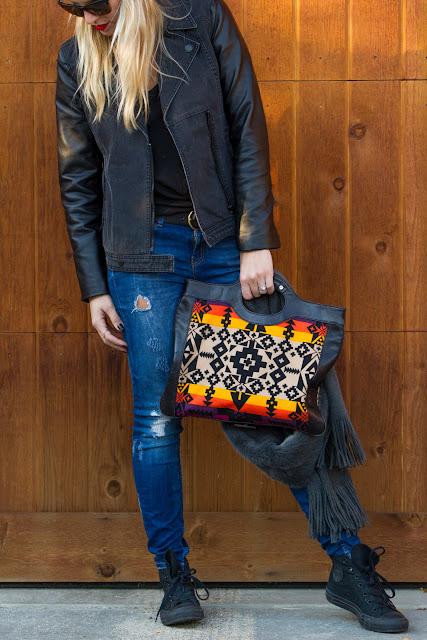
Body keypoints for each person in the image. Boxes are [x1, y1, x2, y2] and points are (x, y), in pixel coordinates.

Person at [55, 0, 409, 633]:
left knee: (281, 405)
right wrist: (94, 288)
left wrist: (255, 240)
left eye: (95, 2)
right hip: (141, 257)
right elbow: (78, 177)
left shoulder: (200, 19)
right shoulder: (77, 58)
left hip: (221, 245)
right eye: (71, 6)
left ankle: (347, 565)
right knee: (156, 421)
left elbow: (247, 123)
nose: (87, 15)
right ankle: (173, 575)